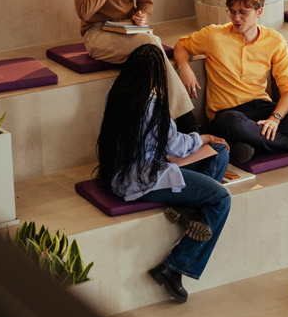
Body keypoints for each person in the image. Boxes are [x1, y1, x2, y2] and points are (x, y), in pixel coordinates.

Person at [94, 44, 231, 303]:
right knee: (221, 197)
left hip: (120, 172)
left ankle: (190, 213)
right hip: (146, 178)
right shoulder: (151, 103)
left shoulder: (115, 92)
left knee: (217, 155)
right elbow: (176, 146)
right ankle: (174, 267)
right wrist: (206, 136)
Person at [173, 0, 288, 164]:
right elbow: (181, 46)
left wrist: (275, 118)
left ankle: (252, 142)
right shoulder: (213, 35)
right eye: (232, 12)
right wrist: (184, 67)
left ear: (259, 12)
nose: (236, 18)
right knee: (230, 122)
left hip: (262, 109)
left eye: (243, 12)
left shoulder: (275, 41)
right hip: (228, 115)